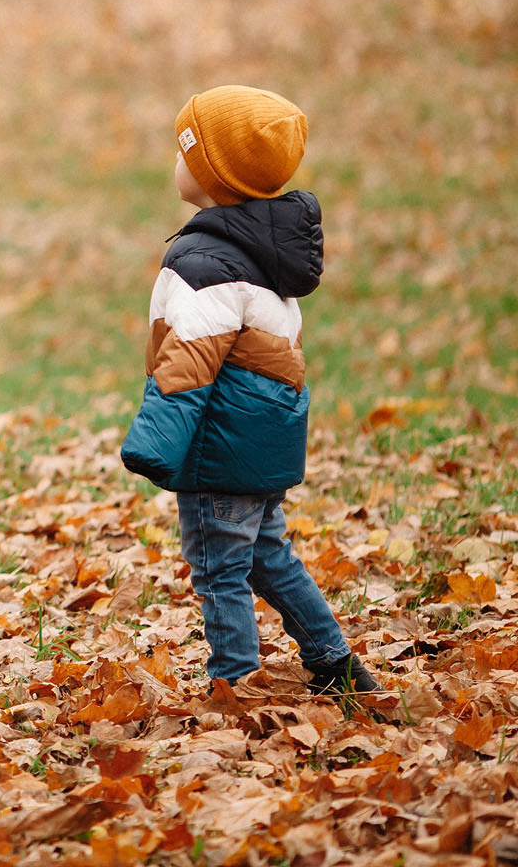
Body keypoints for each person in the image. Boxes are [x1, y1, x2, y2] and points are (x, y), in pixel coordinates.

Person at [120, 85, 381, 696]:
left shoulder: (206, 262)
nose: (175, 162)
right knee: (269, 558)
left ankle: (234, 685)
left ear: (213, 175)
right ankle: (335, 663)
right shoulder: (261, 257)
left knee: (219, 570)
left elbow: (190, 358)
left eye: (184, 151)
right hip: (259, 444)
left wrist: (155, 440)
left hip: (221, 451)